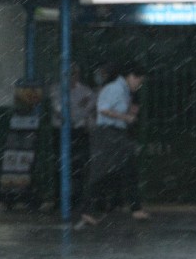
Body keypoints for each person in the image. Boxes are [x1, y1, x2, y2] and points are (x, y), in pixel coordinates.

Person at [75, 61, 149, 228]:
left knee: (120, 170)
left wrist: (129, 112)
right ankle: (89, 210)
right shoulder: (115, 89)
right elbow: (103, 109)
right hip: (108, 134)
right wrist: (126, 118)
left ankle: (132, 207)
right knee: (105, 172)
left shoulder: (123, 91)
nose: (139, 84)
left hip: (115, 134)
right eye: (139, 80)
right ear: (131, 77)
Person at [48, 62, 96, 211]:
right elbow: (60, 110)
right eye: (69, 74)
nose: (72, 77)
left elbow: (88, 109)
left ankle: (77, 200)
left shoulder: (86, 91)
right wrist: (76, 110)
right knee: (60, 167)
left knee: (79, 167)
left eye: (74, 73)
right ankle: (59, 199)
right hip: (61, 133)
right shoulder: (56, 89)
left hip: (79, 133)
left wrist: (72, 111)